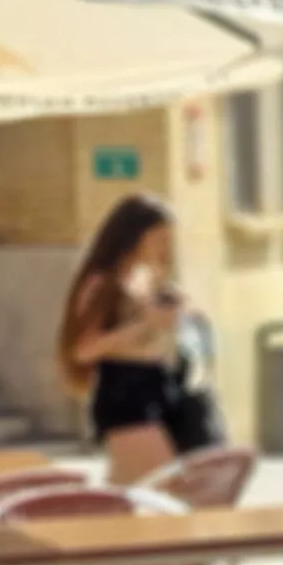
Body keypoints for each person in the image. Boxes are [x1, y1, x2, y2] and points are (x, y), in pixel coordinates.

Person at [55, 193, 215, 485]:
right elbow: (83, 349)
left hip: (161, 385)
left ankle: (92, 512)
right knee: (169, 485)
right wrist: (144, 325)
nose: (165, 247)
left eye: (168, 239)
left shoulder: (146, 279)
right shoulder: (101, 283)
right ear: (134, 236)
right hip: (125, 392)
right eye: (158, 238)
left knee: (135, 491)